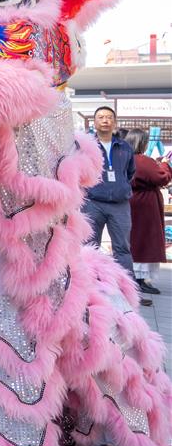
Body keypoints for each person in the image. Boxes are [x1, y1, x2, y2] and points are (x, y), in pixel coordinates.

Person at [81, 106, 152, 305]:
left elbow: (130, 173)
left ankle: (127, 293)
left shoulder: (125, 147)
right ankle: (88, 289)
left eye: (109, 117)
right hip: (93, 203)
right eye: (101, 117)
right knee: (89, 246)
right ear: (94, 123)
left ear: (115, 122)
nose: (105, 120)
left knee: (122, 248)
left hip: (119, 205)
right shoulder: (85, 145)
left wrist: (119, 187)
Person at [124, 127, 171, 296]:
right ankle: (140, 280)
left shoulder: (124, 158)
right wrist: (165, 164)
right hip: (146, 205)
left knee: (134, 240)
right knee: (145, 241)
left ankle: (135, 278)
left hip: (131, 202)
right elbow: (161, 177)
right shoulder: (143, 161)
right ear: (142, 143)